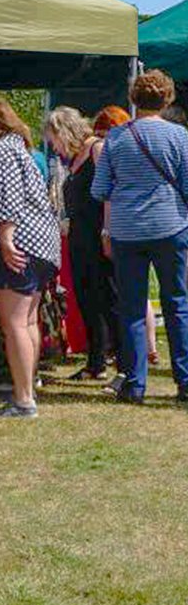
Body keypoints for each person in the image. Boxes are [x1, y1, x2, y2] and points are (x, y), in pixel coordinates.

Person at [92, 70, 188, 405]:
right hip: (170, 226)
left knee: (131, 307)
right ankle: (185, 381)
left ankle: (134, 385)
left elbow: (100, 189)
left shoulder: (116, 139)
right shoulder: (180, 137)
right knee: (177, 303)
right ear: (168, 99)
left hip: (126, 230)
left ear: (134, 98)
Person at [0, 101, 61, 418]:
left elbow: (8, 196)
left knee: (15, 324)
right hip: (41, 245)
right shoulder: (19, 148)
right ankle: (26, 390)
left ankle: (23, 399)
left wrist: (5, 238)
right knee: (29, 321)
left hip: (18, 245)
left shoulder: (0, 152)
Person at [44, 106, 117, 381]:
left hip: (98, 236)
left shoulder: (97, 149)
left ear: (66, 131)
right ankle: (95, 361)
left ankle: (122, 361)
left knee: (108, 298)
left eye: (54, 139)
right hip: (78, 237)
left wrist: (107, 232)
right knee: (87, 299)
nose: (54, 146)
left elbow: (109, 193)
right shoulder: (72, 159)